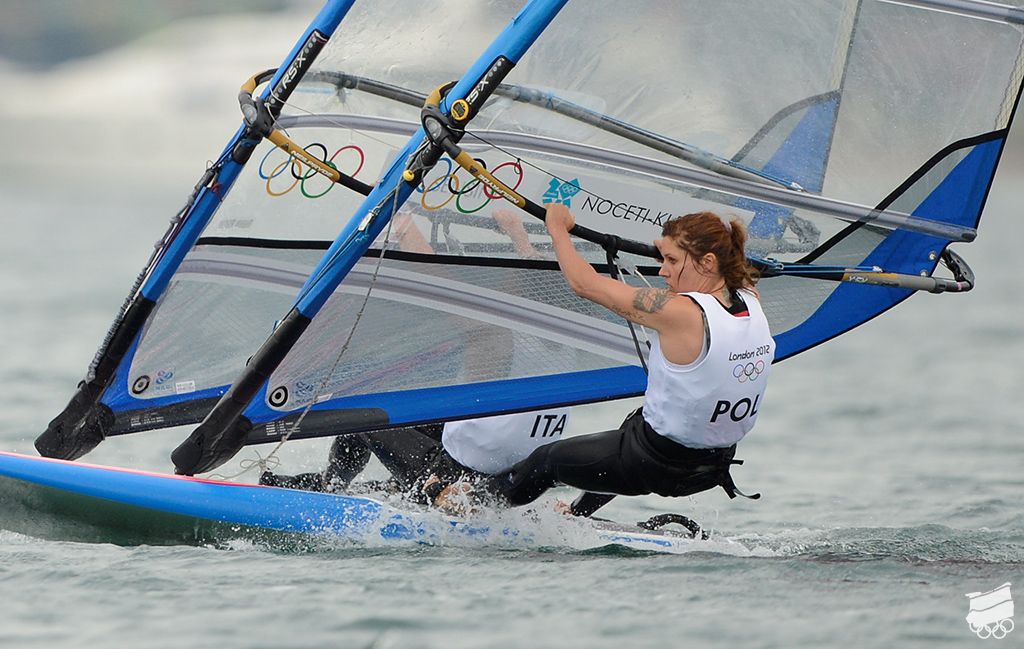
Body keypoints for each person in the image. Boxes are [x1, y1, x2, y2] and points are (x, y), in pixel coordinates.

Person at [492, 204, 774, 507]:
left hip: (655, 463)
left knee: (546, 460)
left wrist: (557, 228)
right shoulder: (750, 296)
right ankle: (575, 514)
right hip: (713, 466)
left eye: (671, 260)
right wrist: (674, 250)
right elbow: (731, 268)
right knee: (633, 425)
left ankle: (482, 506)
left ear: (708, 262)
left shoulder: (679, 312)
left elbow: (584, 284)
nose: (663, 270)